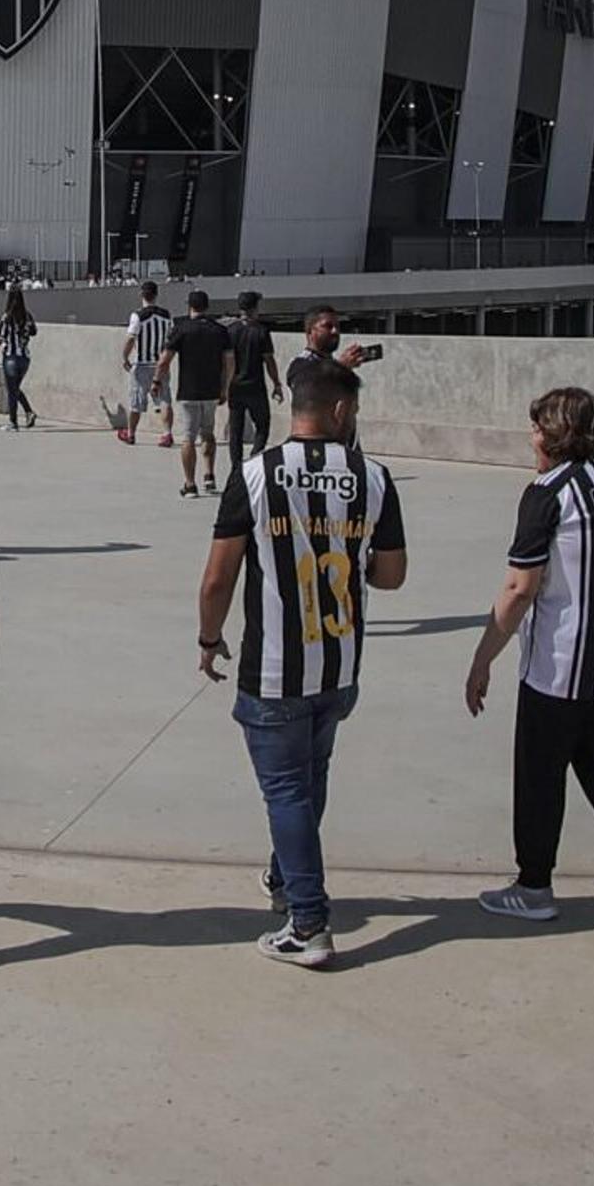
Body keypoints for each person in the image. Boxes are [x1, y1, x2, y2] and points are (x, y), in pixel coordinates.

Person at [197, 357, 406, 967]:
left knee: (287, 791)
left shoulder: (255, 474)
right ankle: (287, 879)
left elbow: (218, 577)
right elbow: (391, 576)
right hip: (339, 667)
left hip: (273, 670)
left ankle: (308, 923)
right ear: (340, 411)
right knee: (309, 782)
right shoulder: (374, 477)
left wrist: (209, 640)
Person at [463, 385, 594, 923]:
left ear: (555, 436)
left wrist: (484, 656)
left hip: (561, 663)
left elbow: (519, 589)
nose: (531, 438)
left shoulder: (548, 492)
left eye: (537, 428)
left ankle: (534, 886)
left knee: (540, 771)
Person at [160, 289, 235, 495]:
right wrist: (225, 387)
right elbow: (229, 362)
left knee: (188, 438)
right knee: (208, 433)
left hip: (188, 391)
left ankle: (190, 483)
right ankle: (209, 476)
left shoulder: (182, 329)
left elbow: (165, 359)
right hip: (211, 390)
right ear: (207, 306)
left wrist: (157, 380)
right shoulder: (219, 330)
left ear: (189, 306)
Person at [220, 291, 279, 459]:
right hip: (256, 386)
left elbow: (224, 362)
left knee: (235, 431)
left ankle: (236, 468)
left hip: (235, 386)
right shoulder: (261, 331)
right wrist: (276, 383)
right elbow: (269, 360)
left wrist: (223, 386)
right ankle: (255, 456)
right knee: (262, 426)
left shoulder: (230, 331)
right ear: (254, 308)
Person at [118, 282, 172, 449]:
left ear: (141, 295)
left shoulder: (138, 316)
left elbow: (131, 338)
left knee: (136, 401)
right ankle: (167, 433)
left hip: (142, 364)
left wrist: (124, 357)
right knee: (164, 400)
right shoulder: (166, 315)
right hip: (160, 363)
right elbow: (170, 337)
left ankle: (131, 433)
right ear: (156, 295)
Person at [0, 284, 40, 430]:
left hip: (10, 357)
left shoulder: (6, 317)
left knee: (12, 390)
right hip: (25, 358)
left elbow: (0, 338)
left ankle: (14, 422)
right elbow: (34, 332)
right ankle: (28, 413)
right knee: (15, 388)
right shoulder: (27, 315)